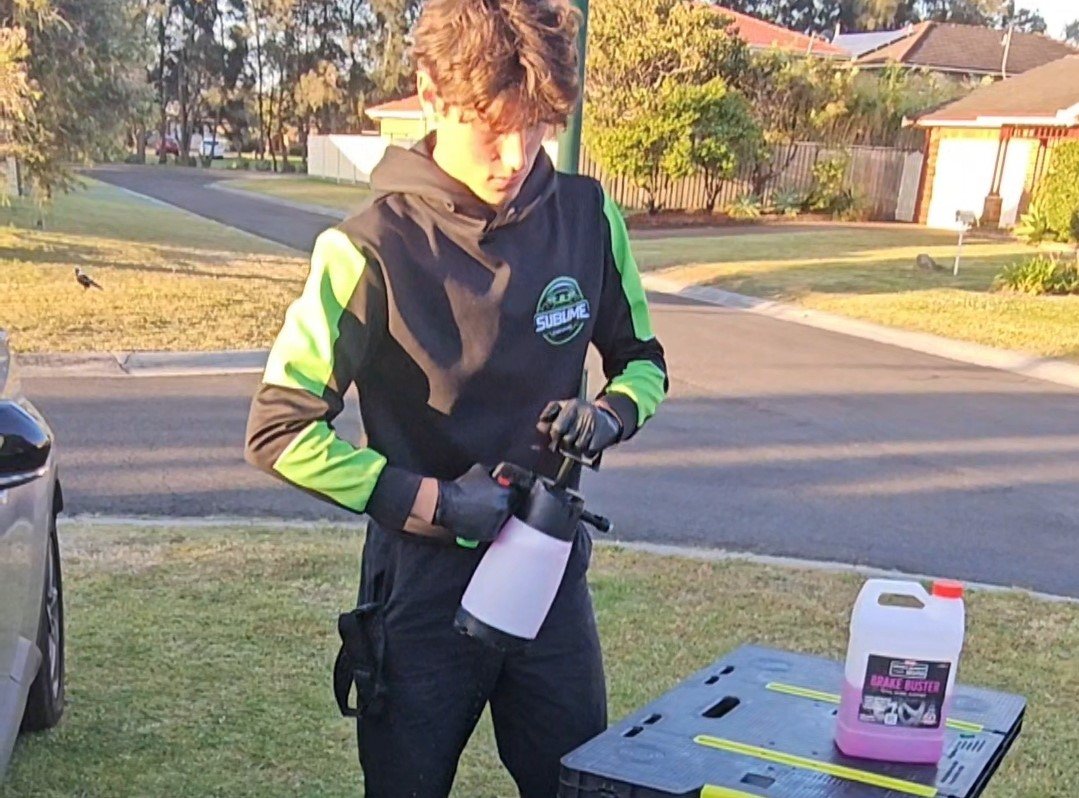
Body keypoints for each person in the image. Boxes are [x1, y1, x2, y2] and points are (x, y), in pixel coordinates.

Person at [243, 0, 668, 795]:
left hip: (546, 571)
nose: (514, 153)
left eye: (536, 125)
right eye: (489, 126)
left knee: (580, 784)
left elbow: (644, 363)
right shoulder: (366, 247)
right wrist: (432, 501)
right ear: (431, 96)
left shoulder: (586, 216)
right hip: (420, 587)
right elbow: (278, 431)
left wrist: (607, 415)